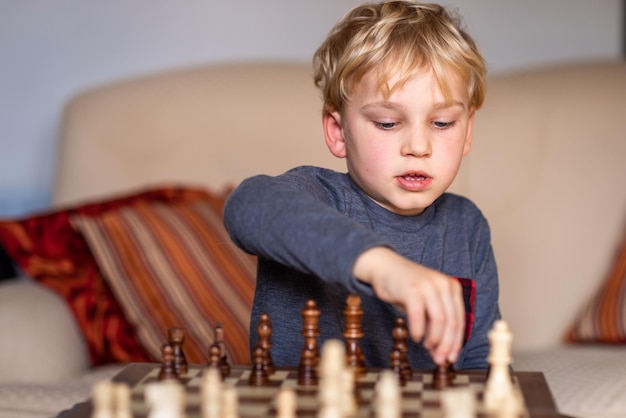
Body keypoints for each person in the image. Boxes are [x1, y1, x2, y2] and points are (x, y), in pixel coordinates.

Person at [223, 0, 500, 370]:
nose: (418, 147)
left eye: (443, 123)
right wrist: (383, 268)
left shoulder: (467, 227)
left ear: (468, 132)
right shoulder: (316, 195)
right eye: (387, 123)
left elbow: (482, 361)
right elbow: (247, 206)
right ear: (338, 132)